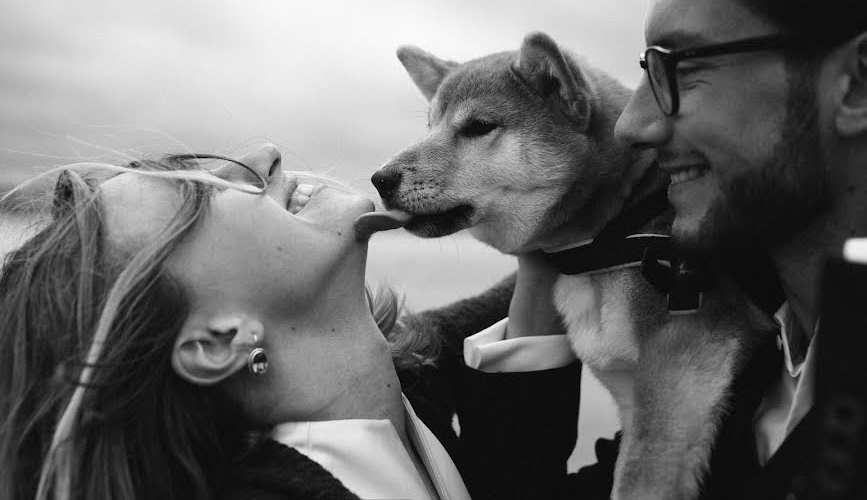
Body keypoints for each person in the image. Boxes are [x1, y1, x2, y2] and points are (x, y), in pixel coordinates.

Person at [460, 0, 867, 498]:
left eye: (681, 68)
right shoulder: (741, 366)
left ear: (861, 84)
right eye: (646, 67)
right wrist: (547, 238)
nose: (631, 124)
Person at [0, 144, 571, 500]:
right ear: (219, 340)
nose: (263, 155)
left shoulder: (405, 382)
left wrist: (555, 245)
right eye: (198, 197)